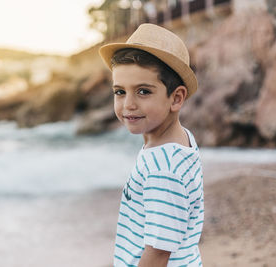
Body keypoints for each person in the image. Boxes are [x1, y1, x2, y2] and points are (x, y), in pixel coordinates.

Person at [99, 24, 204, 266]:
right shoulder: (180, 140)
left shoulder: (162, 170)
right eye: (120, 92)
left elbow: (158, 253)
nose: (128, 104)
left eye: (143, 91)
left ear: (176, 98)